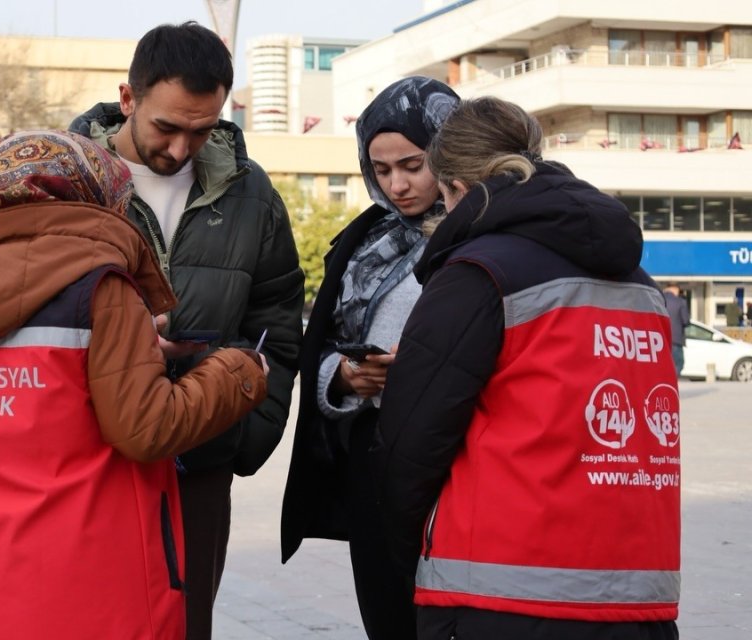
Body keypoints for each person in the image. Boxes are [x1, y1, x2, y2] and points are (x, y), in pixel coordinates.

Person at [0, 129, 270, 639]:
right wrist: (239, 371)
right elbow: (146, 428)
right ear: (95, 197)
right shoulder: (100, 287)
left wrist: (133, 348)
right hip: (96, 578)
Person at [376, 96, 680, 639]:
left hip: (500, 594)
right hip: (639, 596)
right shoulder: (641, 283)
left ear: (459, 190)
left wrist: (403, 562)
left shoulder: (477, 272)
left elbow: (411, 442)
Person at [69, 23, 304, 637]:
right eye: (166, 128)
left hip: (204, 457)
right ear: (128, 98)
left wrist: (248, 432)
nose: (179, 148)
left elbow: (277, 317)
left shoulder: (252, 192)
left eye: (201, 130)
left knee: (186, 624)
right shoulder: (66, 181)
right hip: (92, 461)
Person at [280, 76, 459, 640]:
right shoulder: (363, 240)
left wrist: (421, 367)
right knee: (386, 613)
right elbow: (324, 343)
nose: (397, 184)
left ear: (449, 152)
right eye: (381, 170)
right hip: (372, 453)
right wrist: (346, 376)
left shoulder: (478, 234)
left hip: (453, 455)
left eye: (412, 164)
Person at [662, 284, 689, 376]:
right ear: (675, 289)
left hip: (660, 340)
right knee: (678, 364)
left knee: (663, 365)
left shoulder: (657, 300)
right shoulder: (680, 302)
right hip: (675, 340)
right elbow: (685, 321)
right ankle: (671, 383)